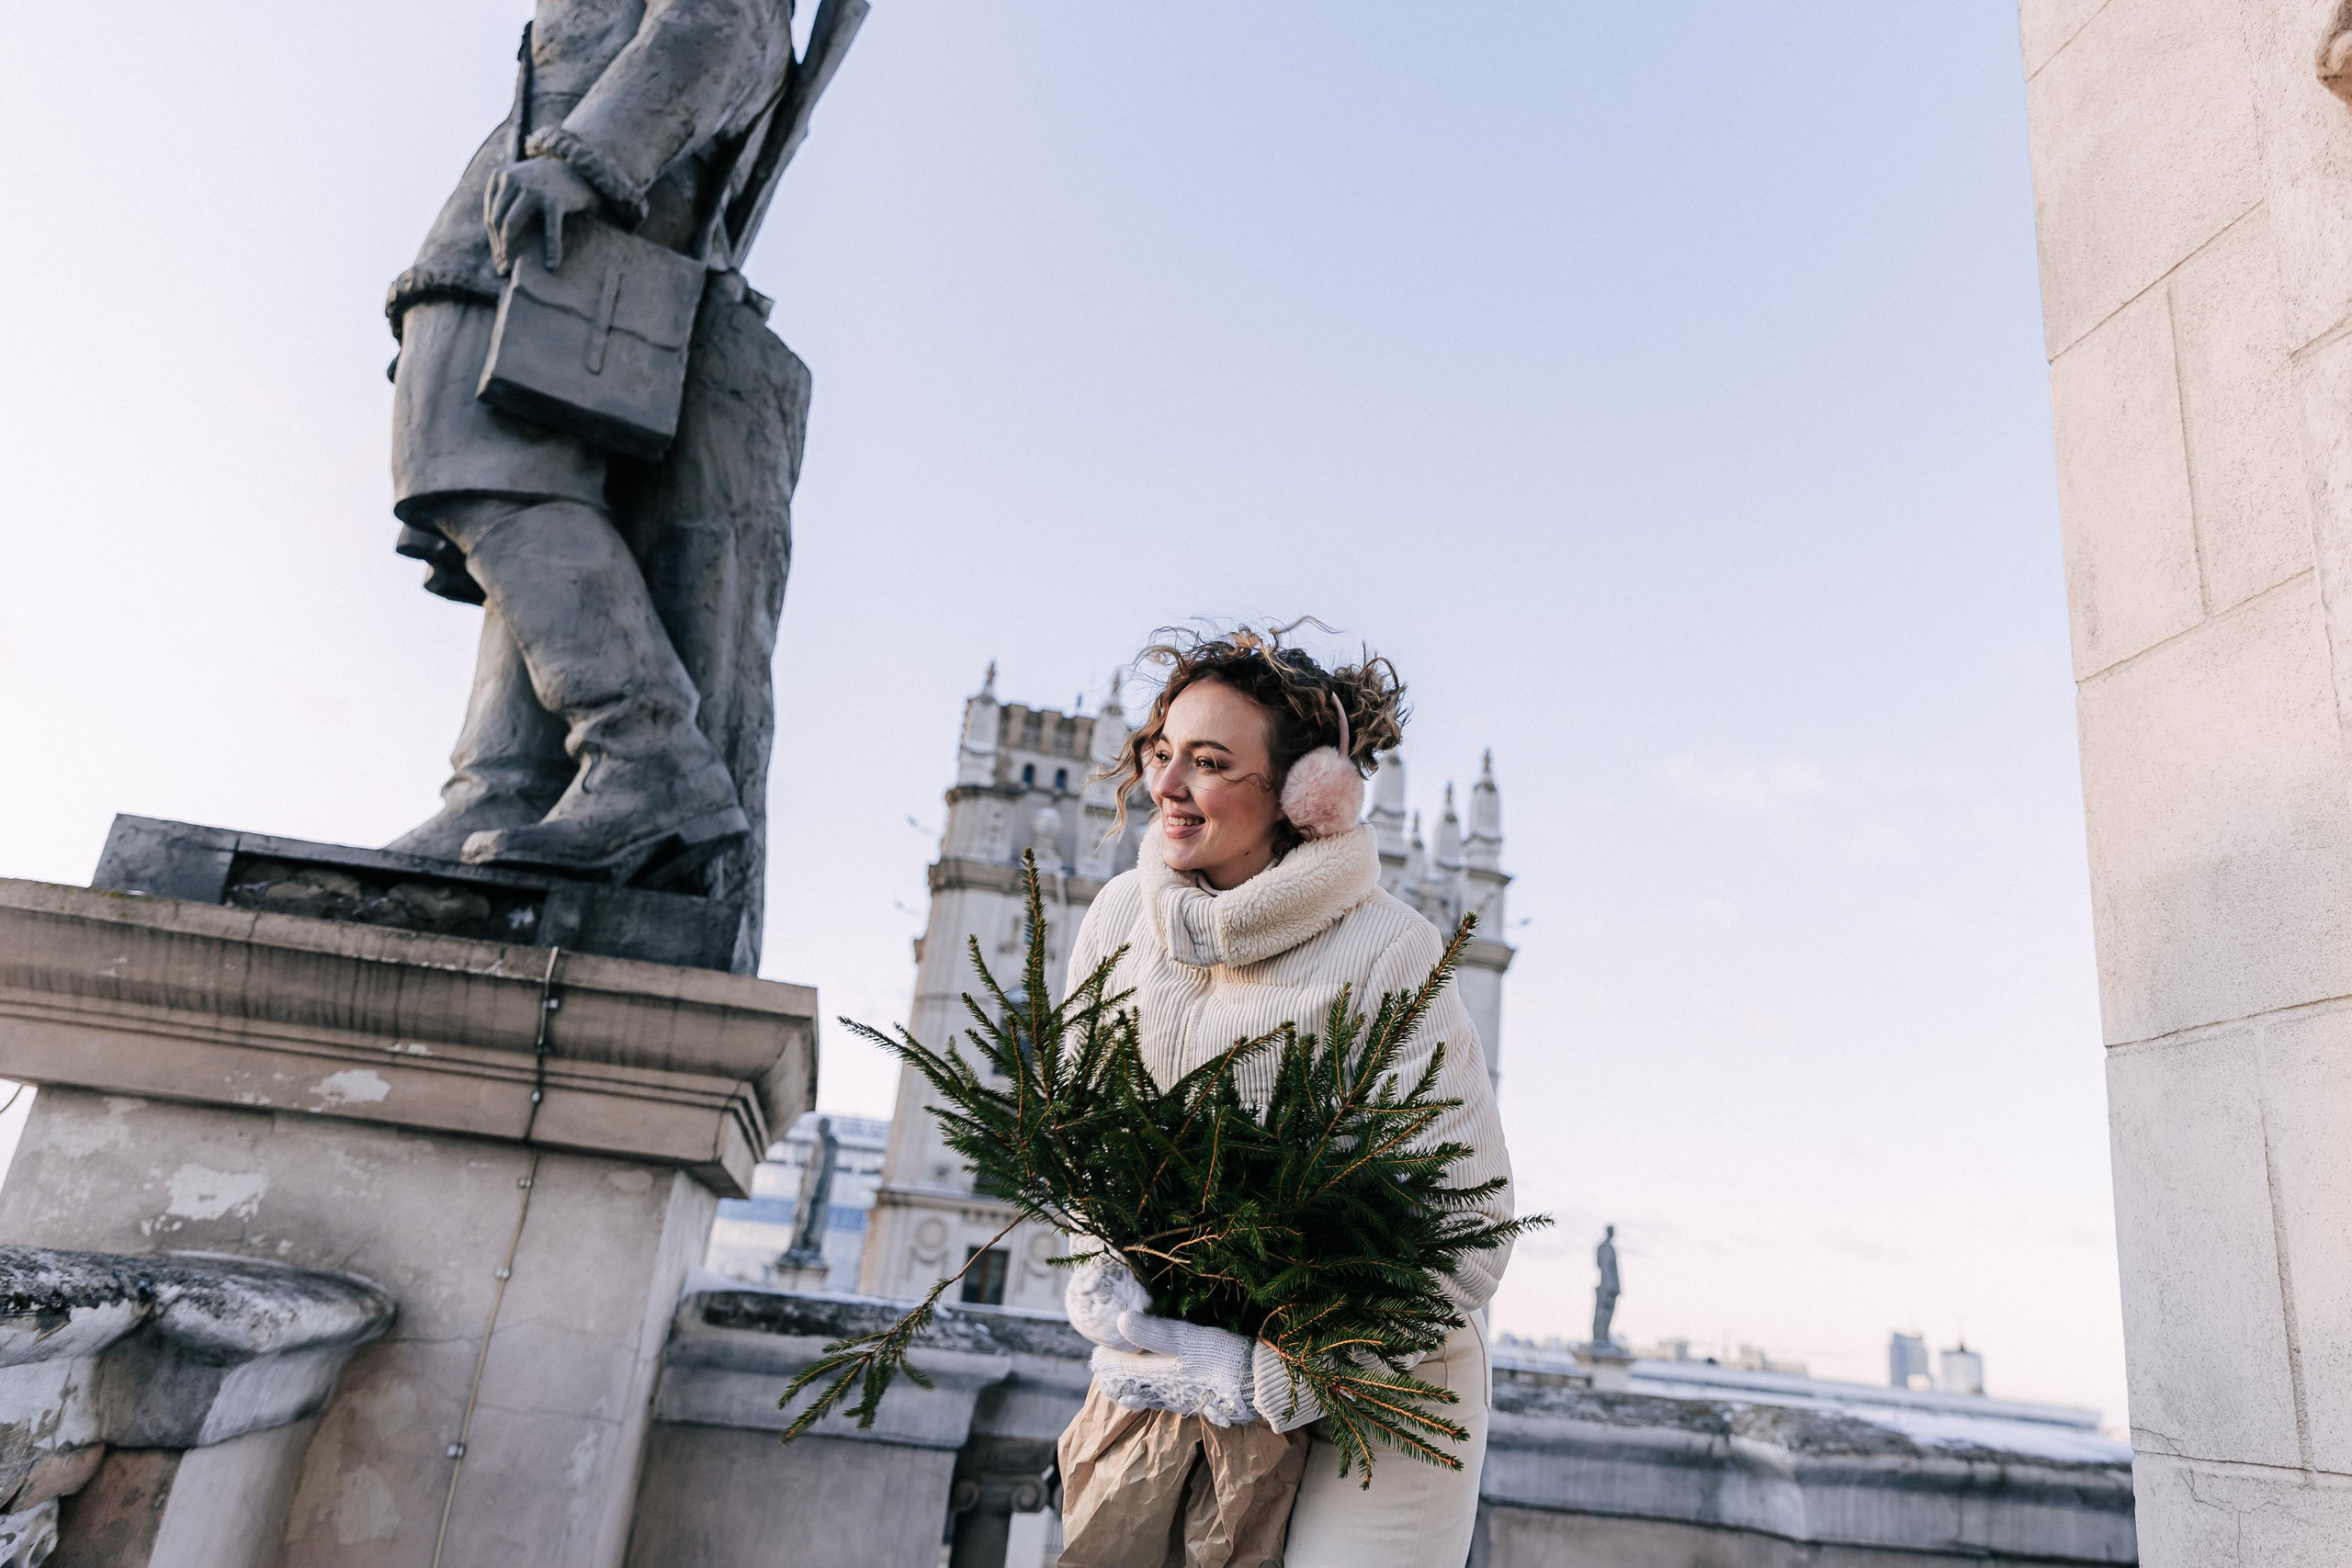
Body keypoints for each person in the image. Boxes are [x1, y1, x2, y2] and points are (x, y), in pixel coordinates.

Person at [1059, 626, 1516, 1566]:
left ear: (1309, 795)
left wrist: (1286, 1372)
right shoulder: (1116, 920)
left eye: (1211, 762)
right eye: (1162, 754)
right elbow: (1077, 1137)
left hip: (1380, 1397)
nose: (1169, 786)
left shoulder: (1391, 948)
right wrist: (1100, 1271)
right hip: (1184, 1363)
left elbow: (1469, 1226)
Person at [381, 0, 802, 880]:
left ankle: (644, 748)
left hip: (592, 197)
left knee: (480, 453)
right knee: (531, 482)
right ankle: (505, 779)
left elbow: (721, 22)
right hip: (555, 178)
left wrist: (594, 162)